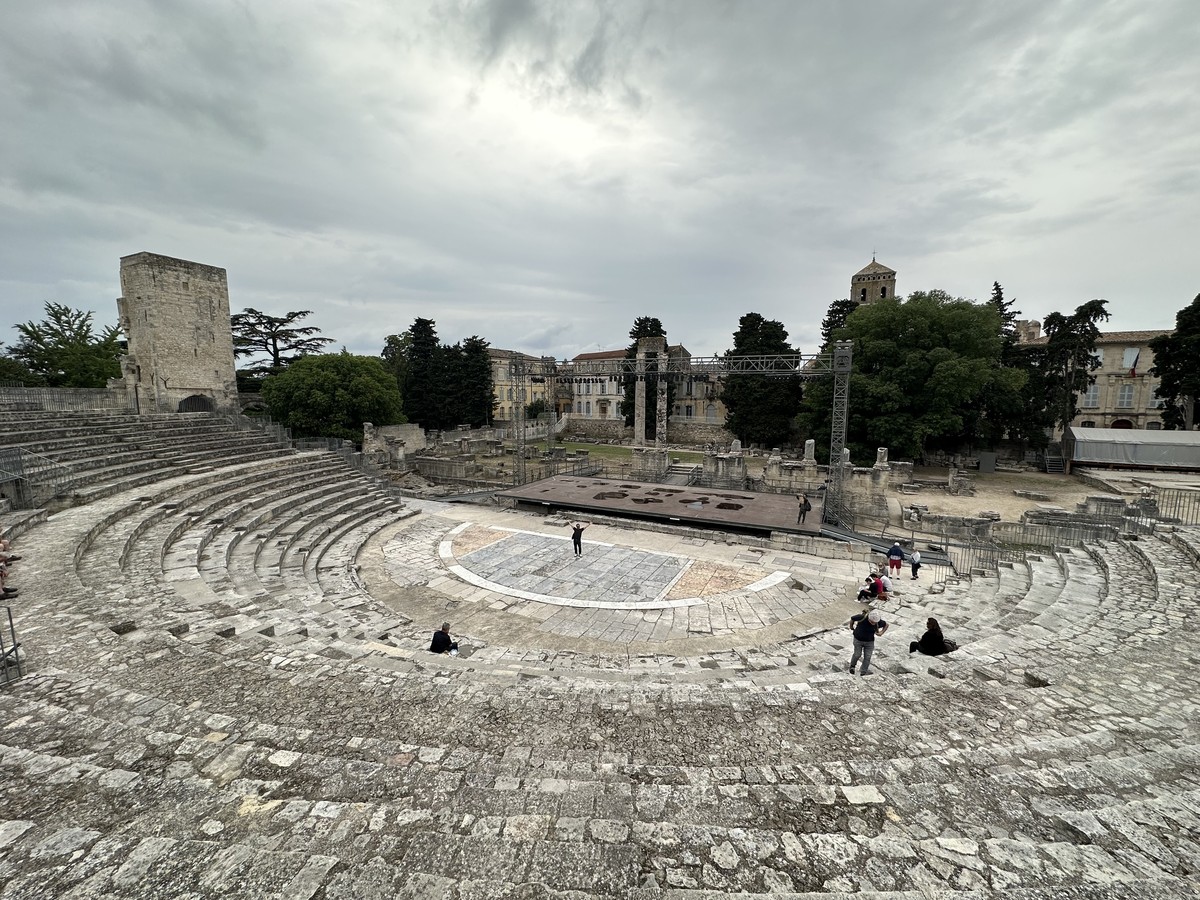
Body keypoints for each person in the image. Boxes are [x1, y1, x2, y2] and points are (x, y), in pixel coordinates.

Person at [848, 609, 888, 676]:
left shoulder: (878, 622)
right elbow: (852, 618)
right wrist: (851, 627)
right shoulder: (862, 617)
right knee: (857, 654)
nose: (873, 623)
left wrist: (881, 632)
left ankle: (863, 672)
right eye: (872, 622)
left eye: (874, 622)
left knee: (868, 657)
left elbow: (886, 625)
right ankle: (852, 666)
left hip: (869, 642)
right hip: (858, 640)